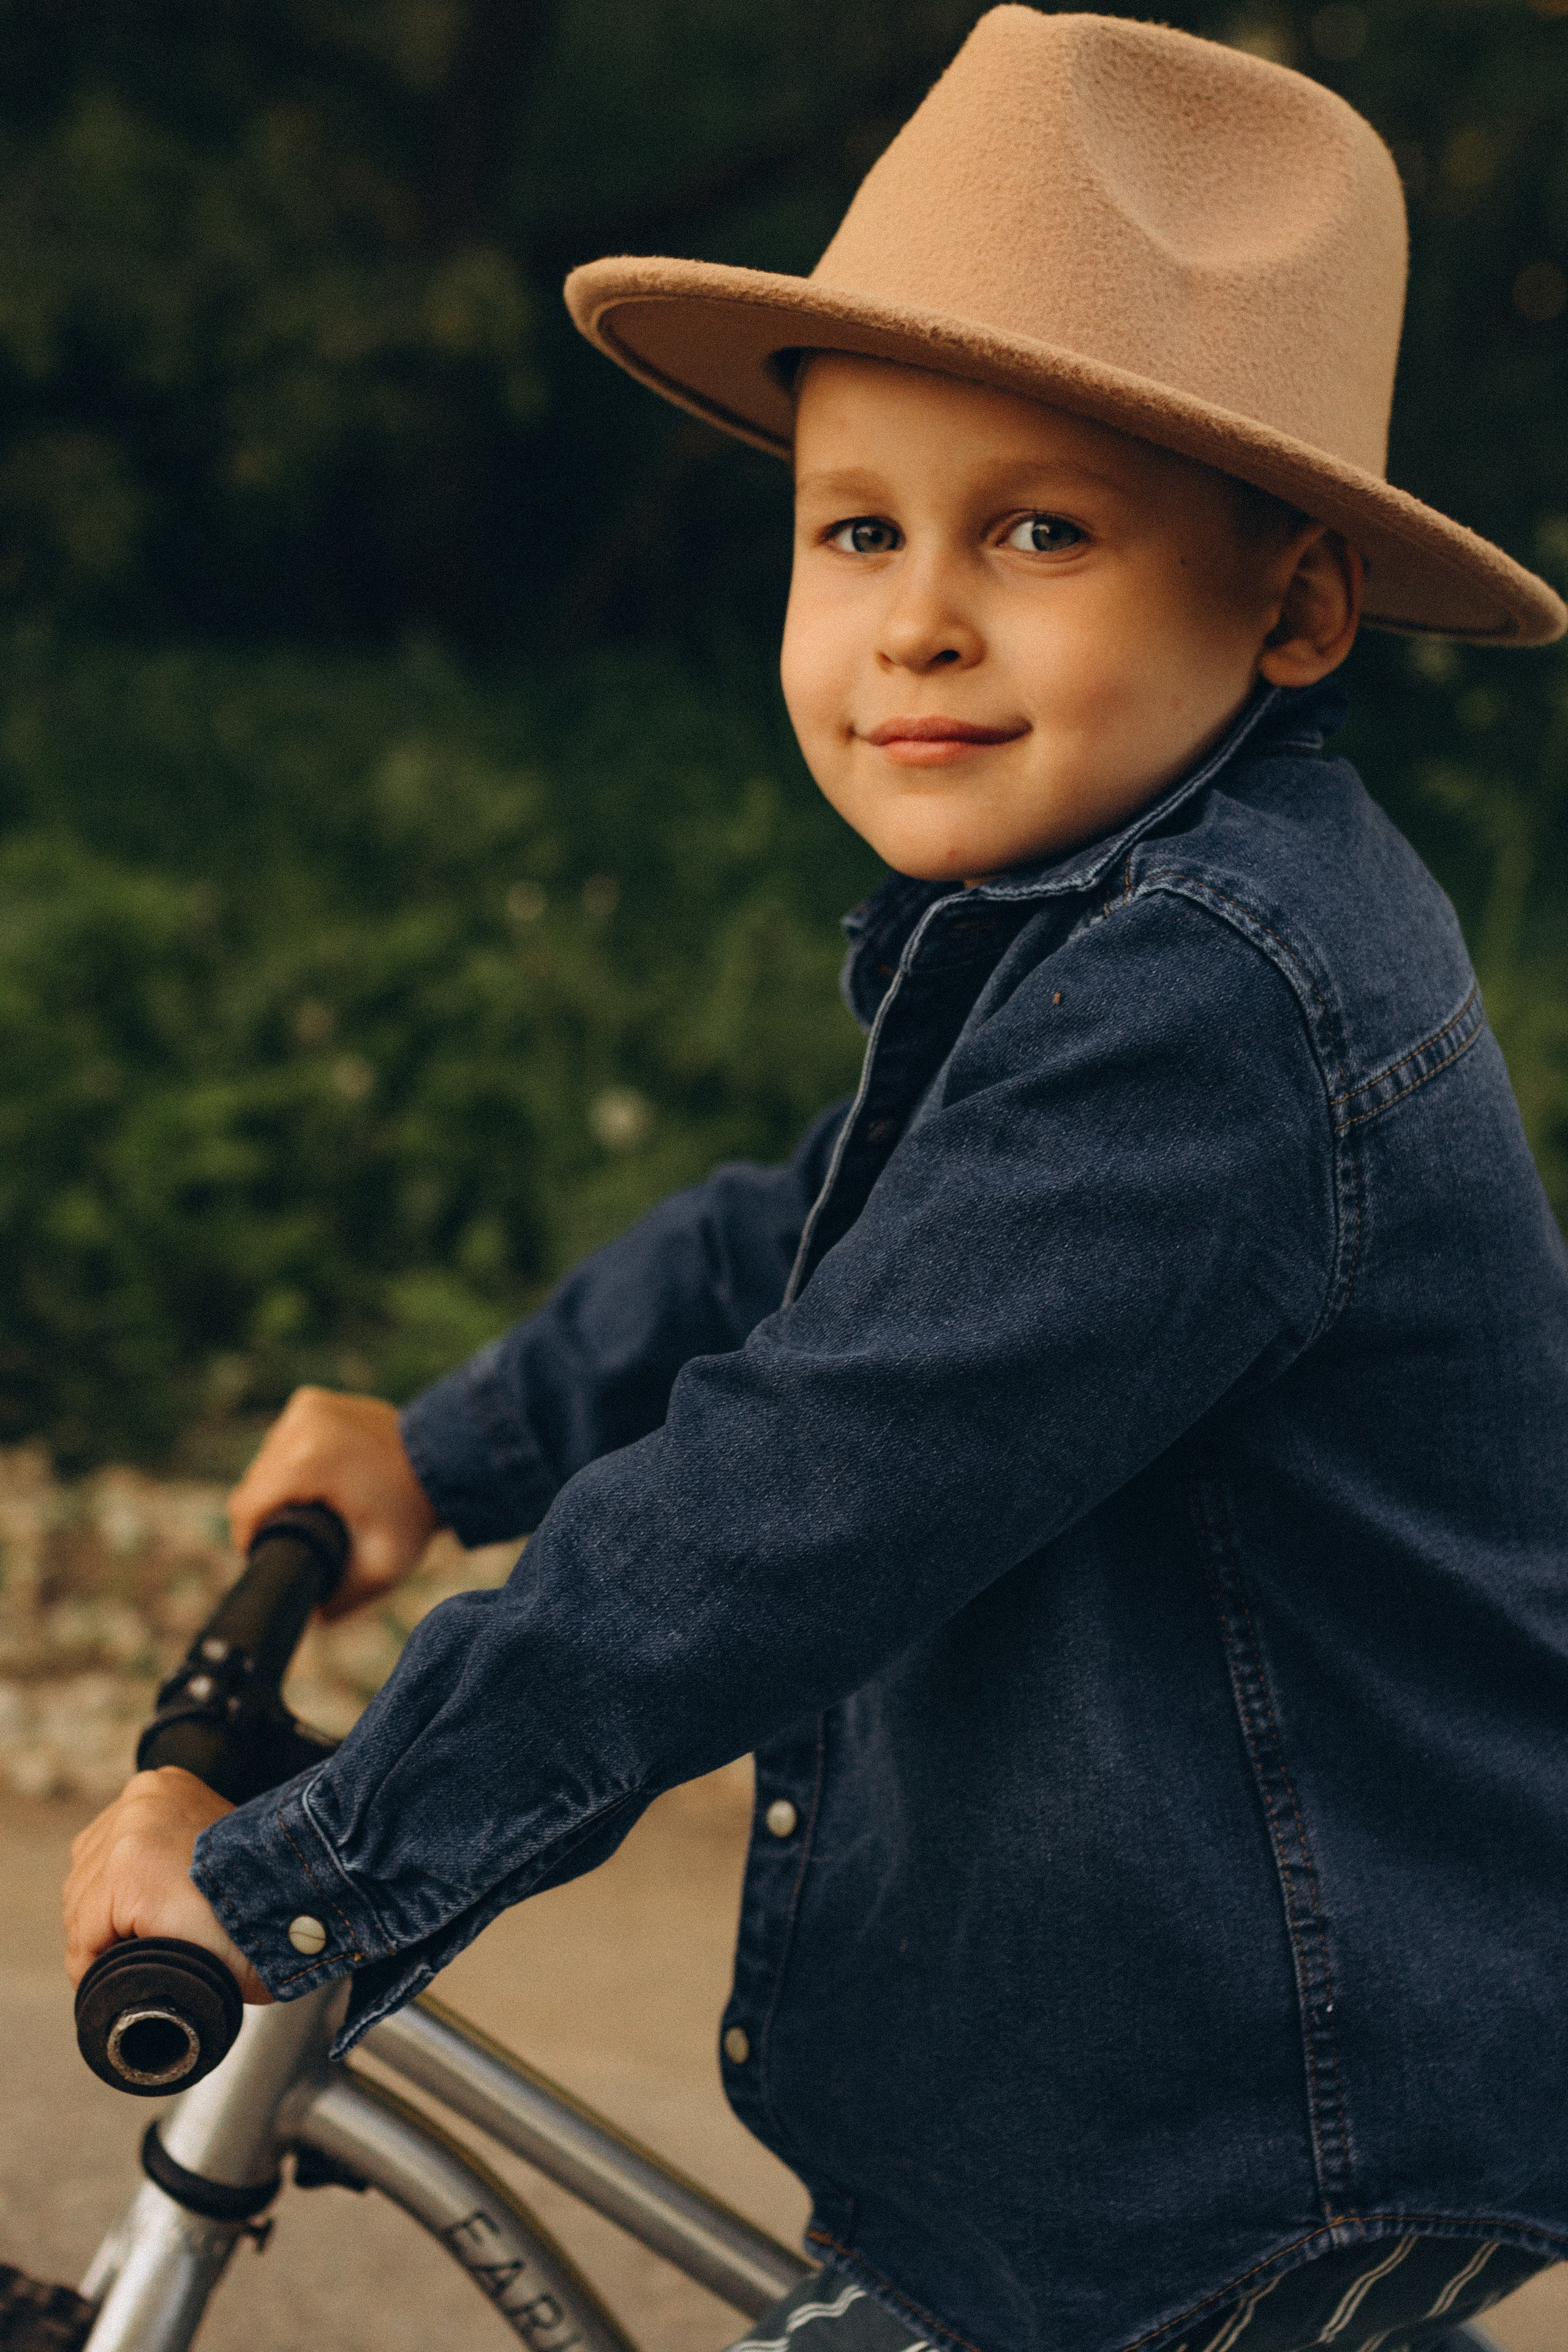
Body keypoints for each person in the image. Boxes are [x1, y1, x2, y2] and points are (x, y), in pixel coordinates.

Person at [63, 15, 1568, 2352]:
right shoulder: (1131, 920)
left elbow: (808, 1482)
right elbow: (812, 1248)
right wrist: (446, 1449)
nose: (921, 616)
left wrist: (311, 1874)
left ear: (1289, 610)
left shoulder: (1217, 1001)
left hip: (1247, 2141)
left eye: (1038, 530)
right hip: (1196, 2068)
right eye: (857, 525)